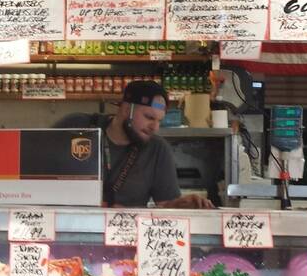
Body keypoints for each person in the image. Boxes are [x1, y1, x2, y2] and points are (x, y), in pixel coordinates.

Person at [54, 80, 215, 209]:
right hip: (69, 227)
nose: (155, 127)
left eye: (160, 120)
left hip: (125, 235)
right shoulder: (76, 126)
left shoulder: (157, 149)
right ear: (125, 110)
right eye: (149, 117)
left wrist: (184, 204)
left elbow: (166, 206)